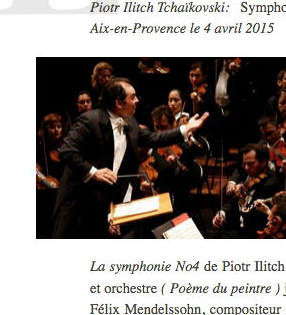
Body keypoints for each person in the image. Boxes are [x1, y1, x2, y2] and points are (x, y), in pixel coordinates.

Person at [52, 77, 208, 238]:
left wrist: (185, 128)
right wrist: (94, 172)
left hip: (101, 204)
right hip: (77, 202)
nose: (137, 100)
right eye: (132, 97)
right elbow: (67, 150)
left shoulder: (131, 123)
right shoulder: (90, 120)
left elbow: (154, 138)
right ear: (119, 103)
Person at [211, 144, 279, 238]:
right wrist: (222, 213)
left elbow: (255, 219)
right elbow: (233, 200)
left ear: (263, 161)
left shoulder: (270, 184)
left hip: (252, 233)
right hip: (235, 227)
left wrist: (242, 200)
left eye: (251, 163)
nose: (246, 167)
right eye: (245, 164)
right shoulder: (249, 174)